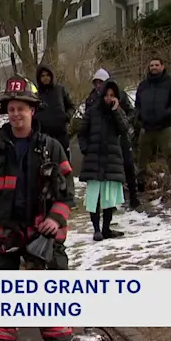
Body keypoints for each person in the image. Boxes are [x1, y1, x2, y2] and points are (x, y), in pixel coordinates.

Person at [0, 75, 74, 341]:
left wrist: (56, 219)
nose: (16, 114)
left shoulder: (52, 148)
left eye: (21, 108)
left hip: (41, 234)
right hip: (0, 234)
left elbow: (67, 191)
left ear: (33, 110)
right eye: (11, 108)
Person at [78, 79, 132, 241]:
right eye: (107, 95)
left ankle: (106, 228)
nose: (109, 98)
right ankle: (96, 229)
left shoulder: (118, 112)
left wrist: (116, 111)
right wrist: (86, 149)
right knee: (94, 196)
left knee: (109, 197)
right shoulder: (92, 111)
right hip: (94, 158)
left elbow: (124, 129)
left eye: (112, 95)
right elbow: (82, 132)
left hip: (111, 159)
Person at [85, 68, 140, 208]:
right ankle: (109, 203)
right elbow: (87, 120)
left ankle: (134, 197)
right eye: (96, 82)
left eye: (101, 82)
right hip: (102, 140)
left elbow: (132, 112)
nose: (98, 85)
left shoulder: (120, 95)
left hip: (120, 136)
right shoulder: (91, 99)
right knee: (107, 171)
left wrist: (124, 120)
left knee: (128, 165)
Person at [134, 57, 171, 192]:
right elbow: (137, 104)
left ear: (162, 66)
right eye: (151, 65)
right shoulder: (143, 85)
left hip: (164, 126)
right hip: (146, 126)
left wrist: (167, 113)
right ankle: (140, 183)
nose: (153, 67)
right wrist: (139, 115)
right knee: (142, 157)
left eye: (156, 65)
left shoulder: (169, 83)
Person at [34, 64, 75, 199]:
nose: (45, 78)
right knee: (47, 168)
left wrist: (67, 116)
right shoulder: (36, 95)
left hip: (61, 134)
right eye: (42, 76)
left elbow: (71, 106)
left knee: (64, 166)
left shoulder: (60, 89)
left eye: (47, 75)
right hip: (44, 137)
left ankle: (68, 194)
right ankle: (51, 195)